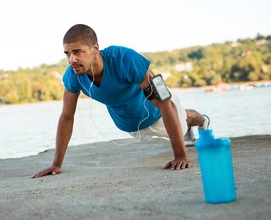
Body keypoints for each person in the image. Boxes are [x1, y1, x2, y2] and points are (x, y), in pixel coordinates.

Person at [32, 24, 209, 178]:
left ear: (95, 48)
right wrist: (57, 164)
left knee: (183, 118)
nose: (72, 59)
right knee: (179, 121)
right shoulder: (73, 76)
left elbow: (165, 103)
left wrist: (180, 156)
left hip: (159, 112)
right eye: (67, 54)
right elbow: (67, 117)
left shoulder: (125, 59)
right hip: (131, 125)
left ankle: (202, 121)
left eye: (77, 52)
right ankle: (185, 126)